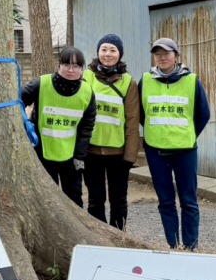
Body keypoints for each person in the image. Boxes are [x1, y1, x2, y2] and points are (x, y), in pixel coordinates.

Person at [140, 37, 211, 251]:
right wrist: (157, 132)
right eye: (157, 53)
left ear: (176, 56)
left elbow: (203, 114)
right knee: (166, 201)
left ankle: (190, 245)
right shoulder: (145, 80)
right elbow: (142, 114)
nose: (162, 57)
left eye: (167, 53)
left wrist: (188, 134)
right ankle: (173, 244)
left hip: (185, 150)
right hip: (155, 149)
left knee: (188, 200)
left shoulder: (191, 80)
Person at [21, 47, 96, 207]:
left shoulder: (87, 92)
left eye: (76, 66)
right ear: (59, 65)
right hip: (42, 152)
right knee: (46, 199)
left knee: (74, 199)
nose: (70, 70)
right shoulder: (42, 83)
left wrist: (79, 157)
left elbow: (86, 128)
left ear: (82, 69)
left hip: (71, 156)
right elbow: (18, 101)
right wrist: (25, 127)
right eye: (66, 64)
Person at [83, 34, 140, 229]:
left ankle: (119, 239)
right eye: (104, 50)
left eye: (112, 50)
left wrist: (130, 156)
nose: (108, 54)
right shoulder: (86, 76)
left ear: (120, 54)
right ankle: (99, 240)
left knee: (118, 199)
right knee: (95, 199)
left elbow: (132, 121)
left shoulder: (128, 83)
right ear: (98, 52)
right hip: (91, 152)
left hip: (118, 153)